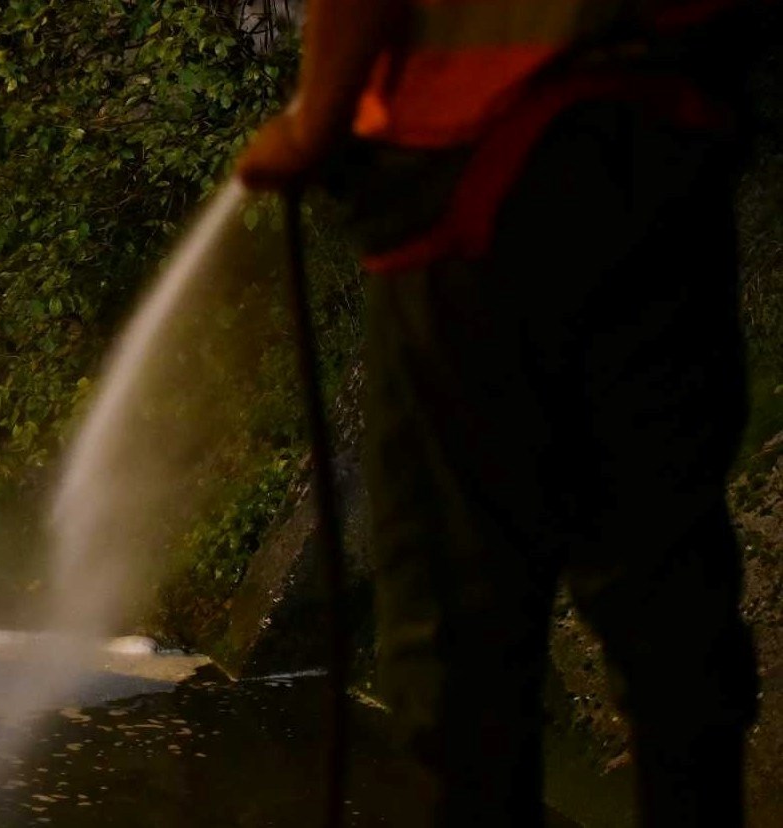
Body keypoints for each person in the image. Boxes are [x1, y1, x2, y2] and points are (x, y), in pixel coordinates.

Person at [235, 0, 761, 824]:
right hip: (669, 153)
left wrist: (314, 122)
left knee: (456, 624)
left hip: (475, 186)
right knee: (665, 585)